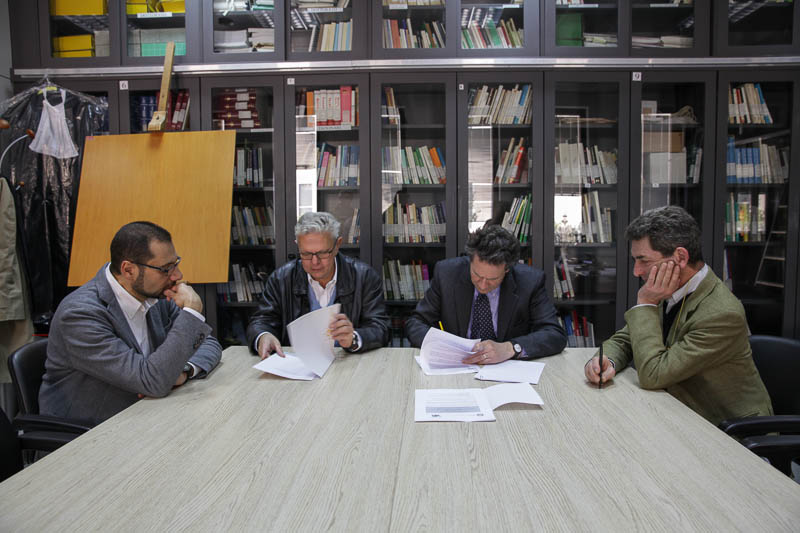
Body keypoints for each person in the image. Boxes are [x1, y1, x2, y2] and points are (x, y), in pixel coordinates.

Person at [584, 206, 772, 426]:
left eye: (644, 260)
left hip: (727, 430)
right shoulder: (671, 288)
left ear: (680, 257)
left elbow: (653, 374)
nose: (636, 271)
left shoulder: (722, 314)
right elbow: (627, 339)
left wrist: (646, 303)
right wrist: (606, 360)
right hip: (676, 412)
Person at [39, 221, 222, 425]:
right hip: (92, 431)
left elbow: (207, 343)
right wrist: (192, 313)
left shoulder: (155, 296)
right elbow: (152, 381)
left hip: (148, 414)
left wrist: (184, 370)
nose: (178, 276)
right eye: (166, 269)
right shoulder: (80, 314)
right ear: (128, 270)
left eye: (176, 263)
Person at [405, 225, 567, 363]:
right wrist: (444, 346)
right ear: (470, 261)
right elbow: (416, 323)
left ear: (507, 269)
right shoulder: (447, 274)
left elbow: (554, 334)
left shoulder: (529, 281)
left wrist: (510, 348)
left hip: (507, 369)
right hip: (456, 367)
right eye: (477, 275)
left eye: (492, 279)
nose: (483, 284)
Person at [247, 211, 389, 359]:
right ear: (298, 246)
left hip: (348, 362)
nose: (315, 262)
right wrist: (263, 335)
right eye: (306, 254)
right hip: (297, 363)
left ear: (337, 246)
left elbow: (380, 328)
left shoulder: (364, 277)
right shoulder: (281, 278)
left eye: (322, 253)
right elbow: (261, 320)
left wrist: (353, 338)